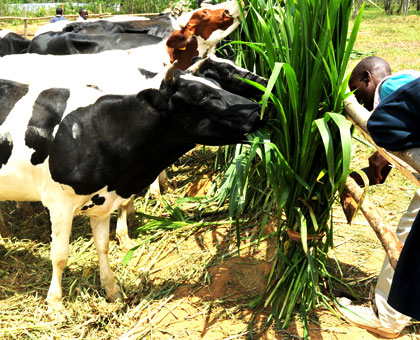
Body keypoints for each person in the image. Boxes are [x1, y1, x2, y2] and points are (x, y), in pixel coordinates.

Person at [336, 56, 420, 338]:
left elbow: (384, 126)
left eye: (358, 93)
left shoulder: (387, 92)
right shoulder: (411, 76)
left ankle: (386, 317)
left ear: (367, 79)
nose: (360, 103)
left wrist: (383, 143)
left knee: (409, 239)